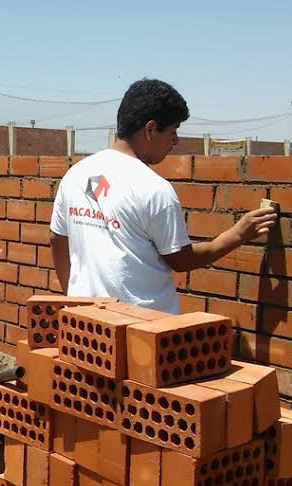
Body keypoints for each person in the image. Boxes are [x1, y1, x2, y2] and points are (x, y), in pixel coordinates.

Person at [49, 78, 276, 314]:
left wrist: (74, 299)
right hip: (142, 330)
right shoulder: (153, 188)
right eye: (173, 131)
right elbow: (181, 260)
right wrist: (237, 234)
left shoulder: (77, 174)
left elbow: (57, 239)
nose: (175, 141)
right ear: (150, 129)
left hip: (84, 327)